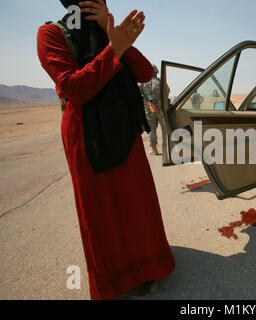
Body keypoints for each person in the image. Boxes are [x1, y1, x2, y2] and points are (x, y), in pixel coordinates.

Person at [37, 0, 175, 300]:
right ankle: (114, 279)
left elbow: (142, 73)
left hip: (124, 127)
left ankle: (149, 269)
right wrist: (114, 48)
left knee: (136, 203)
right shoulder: (51, 34)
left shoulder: (108, 30)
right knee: (101, 211)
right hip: (86, 135)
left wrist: (112, 32)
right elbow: (75, 87)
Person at [139, 65, 169, 155]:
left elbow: (139, 95)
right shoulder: (160, 82)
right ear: (156, 72)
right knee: (165, 129)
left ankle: (153, 148)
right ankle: (167, 148)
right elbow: (166, 91)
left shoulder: (143, 83)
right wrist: (159, 104)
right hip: (161, 109)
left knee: (151, 129)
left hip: (149, 109)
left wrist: (148, 103)